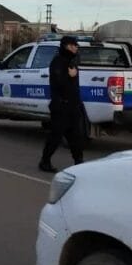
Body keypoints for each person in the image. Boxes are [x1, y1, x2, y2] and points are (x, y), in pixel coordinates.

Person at [39, 36, 85, 172]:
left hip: (73, 106)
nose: (76, 47)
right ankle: (45, 161)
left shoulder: (72, 61)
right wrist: (70, 76)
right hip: (61, 106)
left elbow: (74, 87)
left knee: (76, 137)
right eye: (74, 45)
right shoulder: (58, 62)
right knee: (56, 135)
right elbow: (59, 83)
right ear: (67, 46)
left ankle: (79, 163)